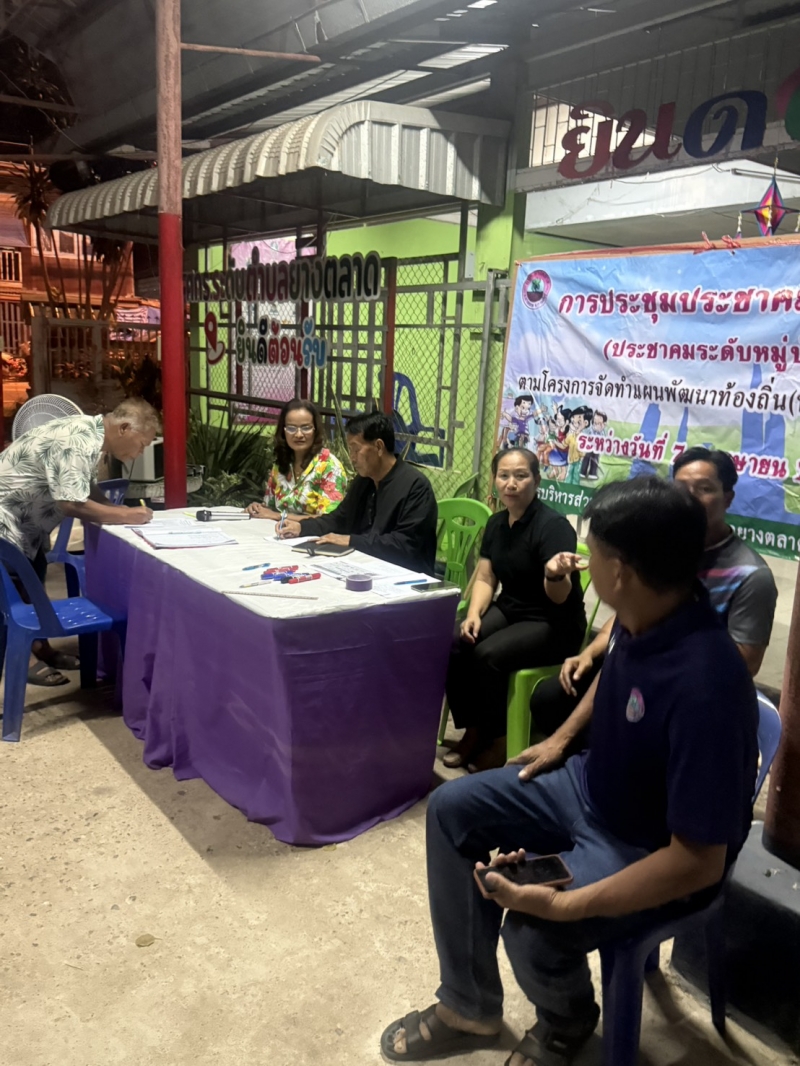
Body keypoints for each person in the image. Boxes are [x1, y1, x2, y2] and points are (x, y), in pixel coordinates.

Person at [380, 478, 758, 1066]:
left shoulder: (708, 684)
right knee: (453, 809)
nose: (585, 563)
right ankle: (468, 1005)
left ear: (620, 572)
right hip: (587, 785)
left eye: (593, 553)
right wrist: (559, 740)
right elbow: (615, 670)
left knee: (532, 931)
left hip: (648, 846)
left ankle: (567, 1019)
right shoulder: (644, 612)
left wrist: (562, 907)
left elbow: (698, 862)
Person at [530, 446, 778, 749]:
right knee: (549, 700)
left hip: (680, 683)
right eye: (681, 488)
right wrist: (591, 652)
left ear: (728, 498)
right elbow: (629, 611)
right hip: (632, 660)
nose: (690, 498)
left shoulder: (751, 575)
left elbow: (742, 665)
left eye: (704, 489)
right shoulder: (662, 546)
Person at [443, 448, 586, 773]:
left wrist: (554, 573)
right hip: (512, 608)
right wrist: (474, 614)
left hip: (554, 620)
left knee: (488, 655)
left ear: (536, 480)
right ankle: (473, 730)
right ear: (495, 480)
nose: (511, 483)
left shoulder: (553, 527)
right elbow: (485, 577)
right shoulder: (496, 523)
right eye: (504, 475)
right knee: (455, 640)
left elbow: (560, 598)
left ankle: (500, 739)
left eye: (521, 476)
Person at [0, 398, 159, 686]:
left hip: (27, 527)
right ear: (124, 428)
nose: (140, 452)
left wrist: (116, 510)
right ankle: (21, 660)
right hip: (6, 523)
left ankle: (39, 647)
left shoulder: (89, 434)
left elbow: (84, 487)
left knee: (32, 586)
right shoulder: (78, 439)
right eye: (142, 444)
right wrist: (124, 516)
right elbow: (71, 503)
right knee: (8, 599)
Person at [278, 411, 438, 575]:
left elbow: (404, 544)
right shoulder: (365, 480)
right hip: (364, 565)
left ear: (379, 447)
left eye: (356, 450)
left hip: (405, 575)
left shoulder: (416, 486)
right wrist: (301, 527)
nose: (352, 458)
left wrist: (350, 540)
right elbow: (339, 519)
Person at [246, 399, 346, 522]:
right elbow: (269, 510)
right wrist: (257, 508)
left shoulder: (330, 467)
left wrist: (280, 517)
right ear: (283, 431)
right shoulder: (282, 463)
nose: (298, 434)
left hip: (313, 533)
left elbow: (330, 520)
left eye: (306, 428)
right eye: (291, 428)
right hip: (277, 531)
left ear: (315, 430)